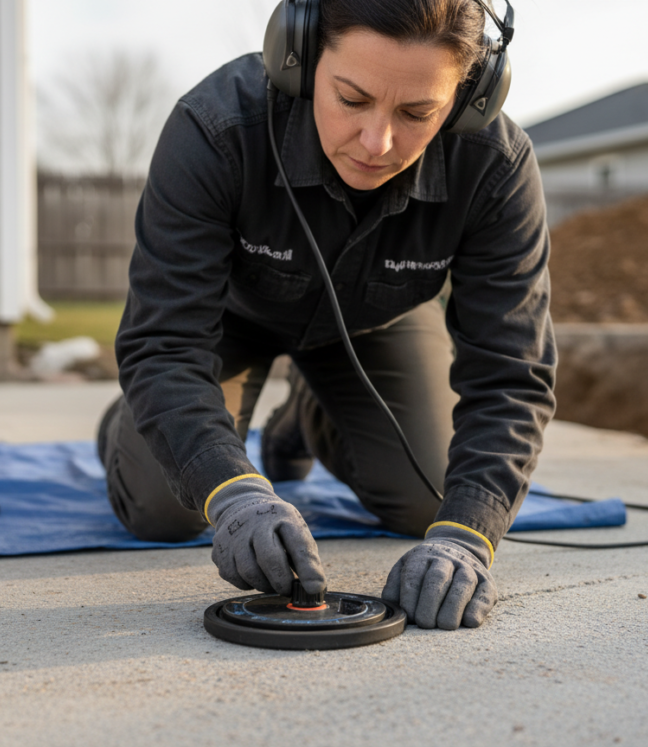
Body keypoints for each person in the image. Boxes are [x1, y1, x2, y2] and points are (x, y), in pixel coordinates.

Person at [97, 0, 555, 630]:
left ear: (470, 95)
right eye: (351, 98)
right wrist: (237, 494)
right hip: (226, 325)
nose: (378, 143)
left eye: (418, 112)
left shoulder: (497, 167)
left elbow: (511, 373)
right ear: (302, 58)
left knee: (431, 505)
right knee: (165, 507)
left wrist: (469, 535)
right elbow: (165, 342)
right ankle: (128, 423)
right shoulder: (214, 128)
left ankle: (305, 420)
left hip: (376, 324)